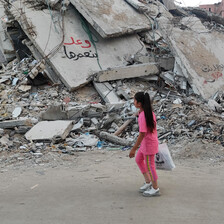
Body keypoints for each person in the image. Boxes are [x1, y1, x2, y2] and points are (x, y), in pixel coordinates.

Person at [129, 91, 160, 197]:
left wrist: (133, 148)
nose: (133, 102)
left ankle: (155, 188)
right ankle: (148, 182)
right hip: (147, 143)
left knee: (150, 166)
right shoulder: (148, 113)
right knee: (138, 160)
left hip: (148, 145)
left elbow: (142, 133)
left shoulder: (143, 116)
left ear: (139, 103)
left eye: (134, 100)